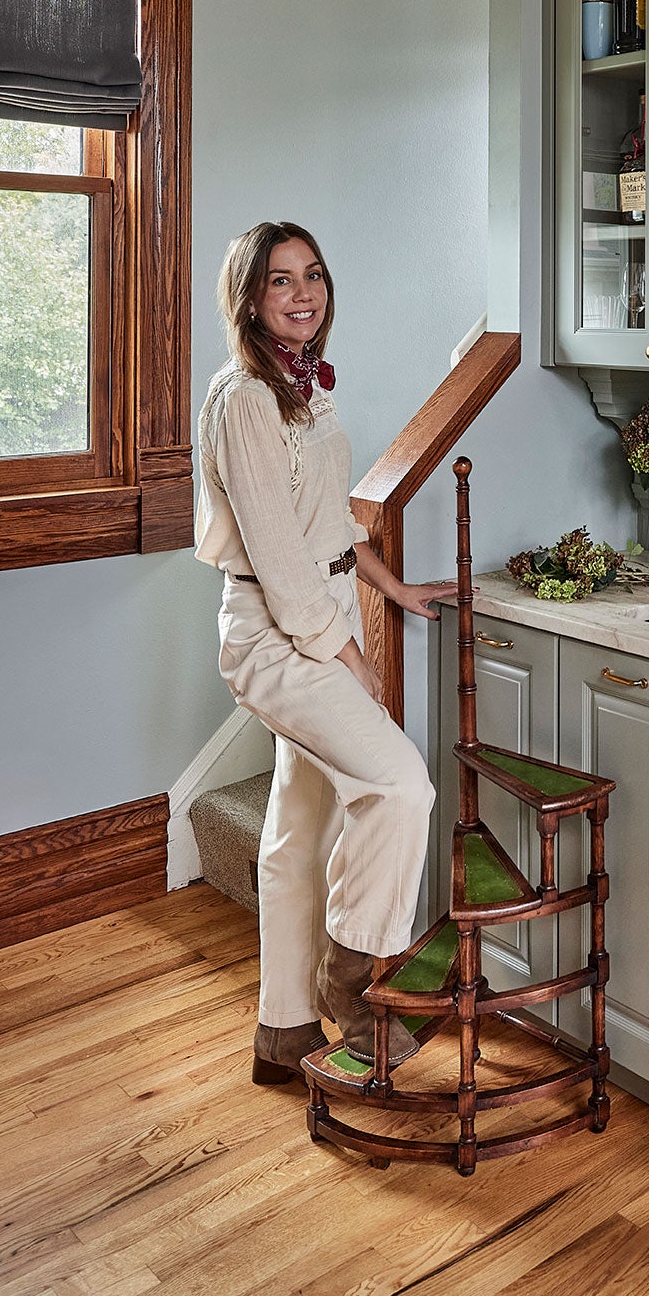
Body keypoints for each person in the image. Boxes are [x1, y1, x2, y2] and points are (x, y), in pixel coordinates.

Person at [195, 221, 454, 1084]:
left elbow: (335, 526)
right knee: (398, 783)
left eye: (312, 275)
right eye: (279, 280)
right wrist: (353, 659)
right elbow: (280, 560)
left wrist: (393, 588)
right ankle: (352, 978)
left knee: (296, 829)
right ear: (251, 297)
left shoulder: (306, 386)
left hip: (324, 606)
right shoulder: (244, 400)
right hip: (277, 634)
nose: (302, 293)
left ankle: (282, 1031)